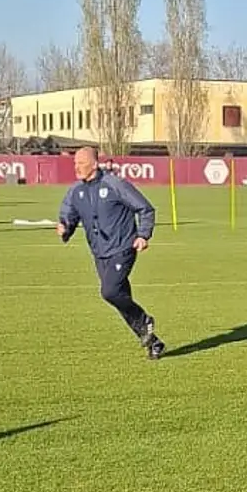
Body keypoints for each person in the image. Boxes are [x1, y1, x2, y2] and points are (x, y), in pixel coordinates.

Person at [57, 146, 165, 359]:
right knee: (120, 298)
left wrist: (143, 235)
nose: (76, 167)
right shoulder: (76, 191)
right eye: (75, 163)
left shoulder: (115, 184)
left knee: (110, 292)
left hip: (123, 248)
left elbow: (145, 209)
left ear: (94, 164)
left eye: (81, 163)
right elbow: (69, 215)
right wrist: (65, 227)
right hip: (99, 252)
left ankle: (145, 321)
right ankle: (153, 342)